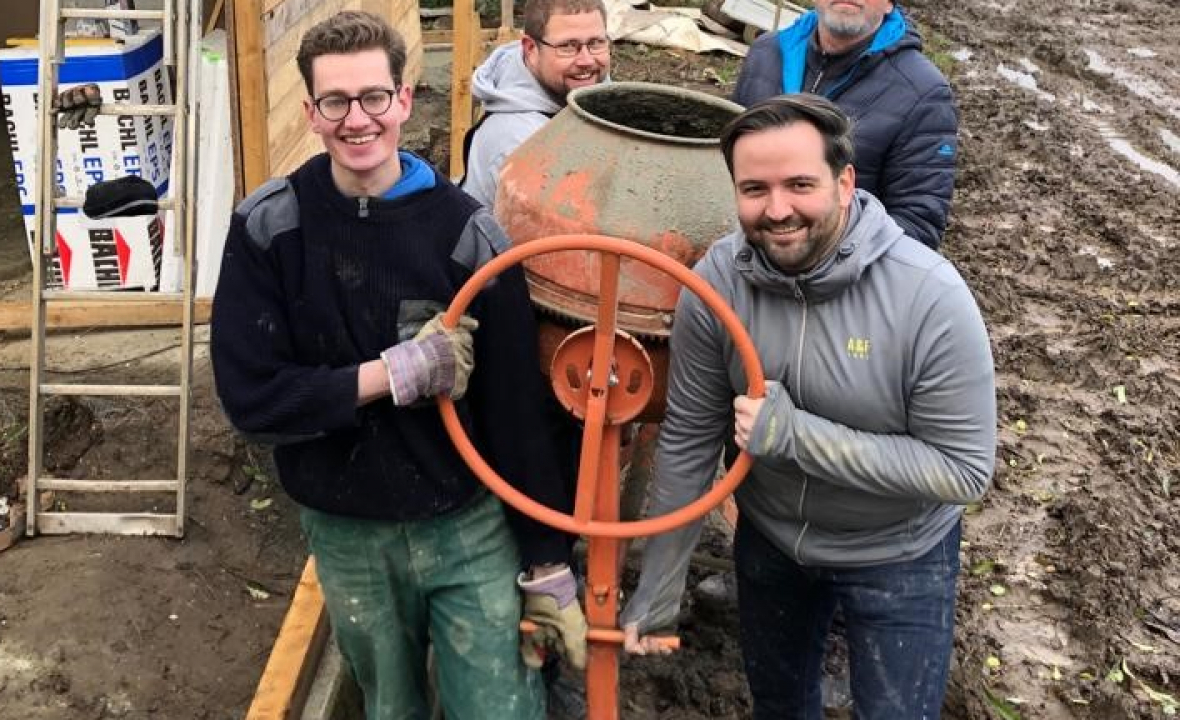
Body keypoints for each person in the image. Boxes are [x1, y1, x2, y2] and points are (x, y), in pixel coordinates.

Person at [209, 12, 585, 720]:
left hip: (465, 525)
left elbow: (514, 412)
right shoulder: (270, 229)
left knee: (501, 708)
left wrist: (547, 557)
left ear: (405, 100)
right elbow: (251, 400)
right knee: (391, 708)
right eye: (336, 102)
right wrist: (391, 375)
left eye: (374, 97)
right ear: (310, 113)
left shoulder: (464, 234)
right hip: (347, 532)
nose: (359, 120)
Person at [621, 94, 996, 719]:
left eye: (800, 184)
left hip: (896, 553)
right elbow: (688, 439)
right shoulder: (716, 285)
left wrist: (797, 437)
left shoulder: (928, 297)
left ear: (845, 181)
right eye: (754, 189)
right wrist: (659, 588)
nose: (777, 210)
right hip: (771, 544)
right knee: (781, 707)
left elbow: (963, 470)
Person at [732, 0, 957, 250]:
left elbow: (917, 224)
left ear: (889, 4)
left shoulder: (923, 92)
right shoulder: (766, 53)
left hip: (835, 278)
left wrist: (823, 266)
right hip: (745, 261)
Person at [460, 0, 611, 211]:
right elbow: (557, 235)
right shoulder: (519, 142)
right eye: (568, 46)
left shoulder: (573, 85)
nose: (586, 60)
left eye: (596, 43)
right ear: (531, 49)